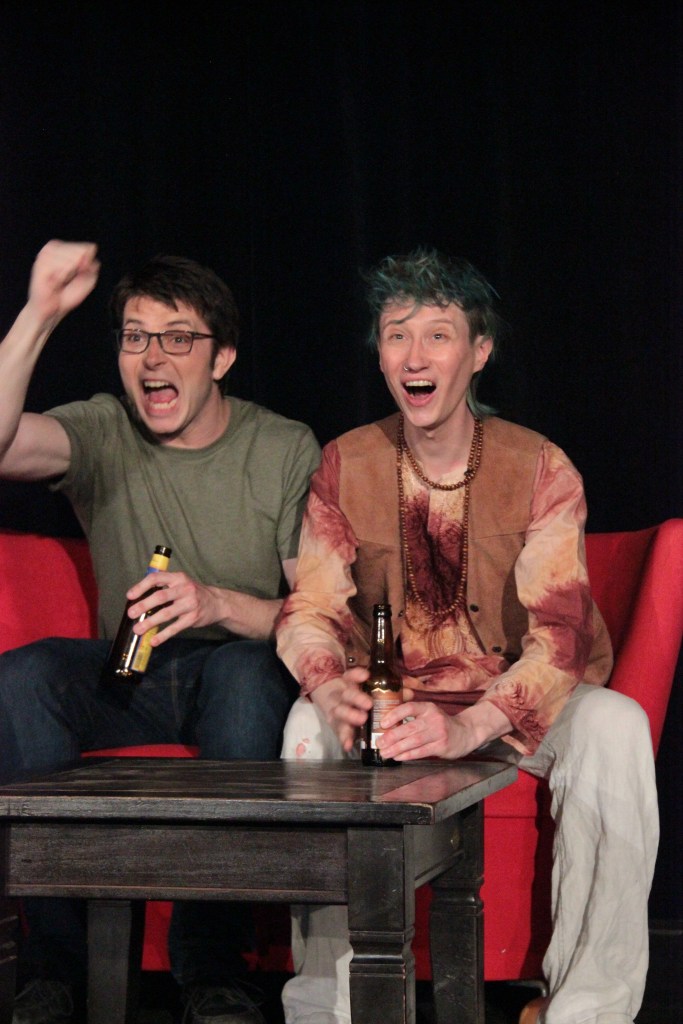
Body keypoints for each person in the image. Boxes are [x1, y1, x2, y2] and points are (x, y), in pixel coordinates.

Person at [275, 247, 659, 1024]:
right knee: (304, 728)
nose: (414, 357)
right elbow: (310, 605)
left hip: (512, 697)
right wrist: (328, 684)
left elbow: (559, 636)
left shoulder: (539, 466)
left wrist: (472, 725)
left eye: (437, 335)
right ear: (379, 355)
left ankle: (583, 1011)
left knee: (616, 726)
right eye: (396, 335)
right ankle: (327, 1009)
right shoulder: (345, 462)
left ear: (478, 351)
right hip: (402, 698)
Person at [0, 240, 321, 1024]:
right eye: (135, 337)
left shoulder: (282, 447)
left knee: (244, 677)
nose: (152, 357)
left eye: (178, 338)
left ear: (222, 358)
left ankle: (213, 970)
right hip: (132, 673)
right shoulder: (104, 430)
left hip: (239, 667)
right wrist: (39, 313)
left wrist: (215, 604)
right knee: (25, 675)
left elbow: (317, 614)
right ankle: (56, 967)